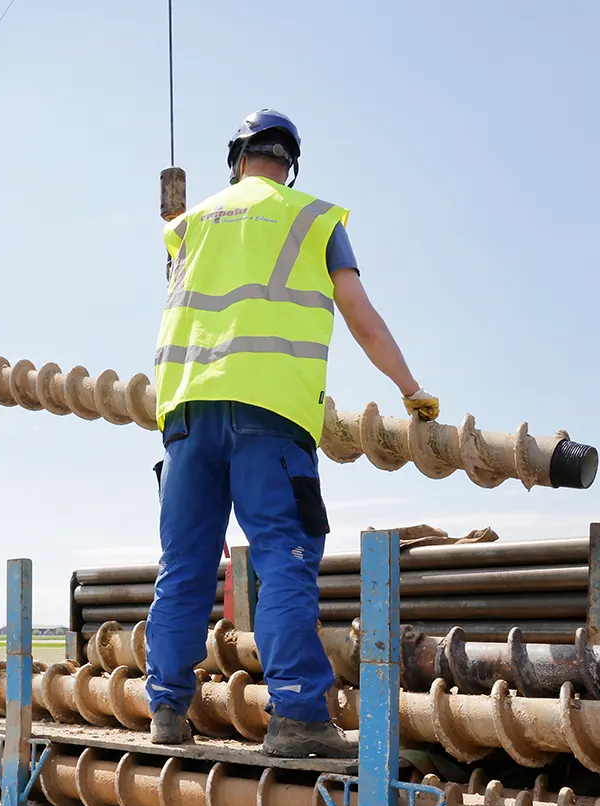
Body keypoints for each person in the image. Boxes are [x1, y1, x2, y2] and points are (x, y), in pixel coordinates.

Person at [145, 109, 437, 759]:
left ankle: (165, 708)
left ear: (236, 160)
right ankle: (299, 716)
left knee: (184, 564)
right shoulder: (314, 219)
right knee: (283, 558)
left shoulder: (188, 227)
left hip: (187, 418)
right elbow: (360, 315)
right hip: (270, 419)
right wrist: (412, 391)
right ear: (290, 164)